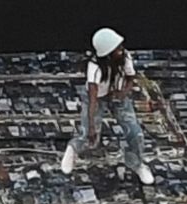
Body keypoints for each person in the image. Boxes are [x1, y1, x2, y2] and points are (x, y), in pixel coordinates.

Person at [64, 29, 156, 189]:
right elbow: (93, 97)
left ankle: (137, 164)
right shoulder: (94, 66)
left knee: (136, 133)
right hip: (97, 98)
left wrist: (123, 93)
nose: (121, 50)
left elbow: (130, 78)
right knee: (88, 137)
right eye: (117, 49)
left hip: (117, 96)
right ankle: (72, 149)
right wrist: (92, 126)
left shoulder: (125, 57)